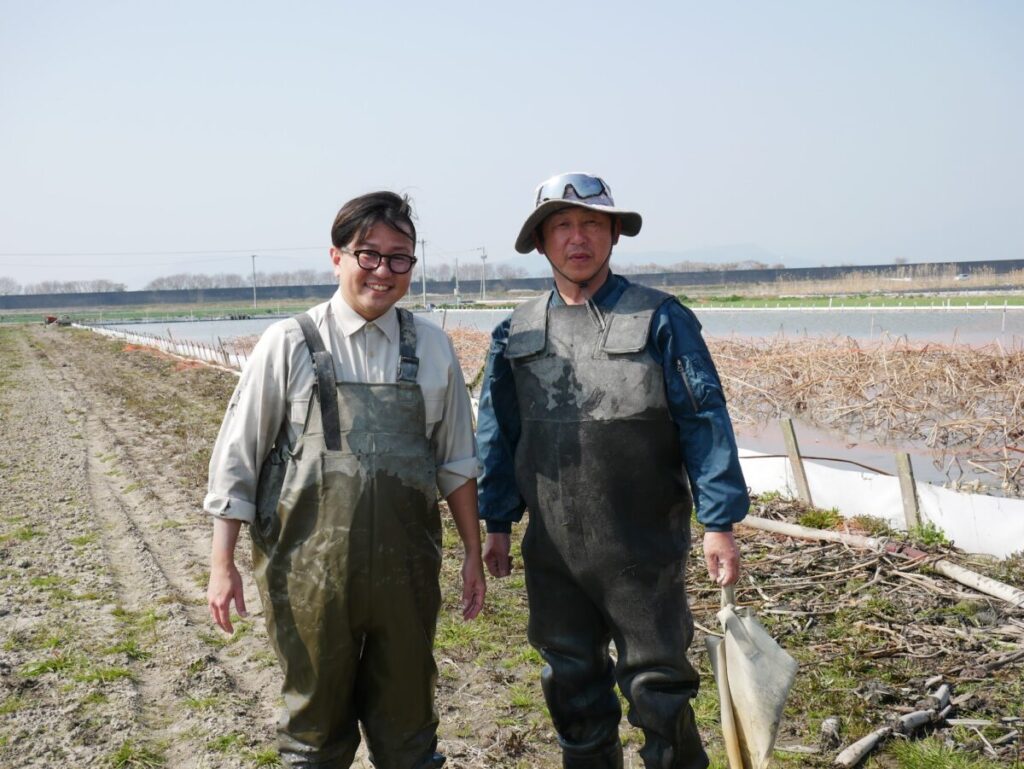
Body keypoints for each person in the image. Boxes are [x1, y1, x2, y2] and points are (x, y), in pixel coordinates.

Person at [476, 172, 749, 769]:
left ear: (614, 234)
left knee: (659, 686)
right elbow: (496, 434)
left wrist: (719, 522)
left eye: (592, 224)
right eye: (563, 227)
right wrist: (496, 521)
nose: (578, 239)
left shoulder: (661, 317)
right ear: (542, 242)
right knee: (570, 681)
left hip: (643, 547)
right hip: (552, 549)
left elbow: (704, 421)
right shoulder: (514, 331)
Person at [205, 191, 485, 769]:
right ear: (337, 257)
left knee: (409, 732)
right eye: (368, 254)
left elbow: (456, 461)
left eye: (399, 258)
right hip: (308, 577)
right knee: (313, 734)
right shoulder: (289, 343)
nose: (383, 271)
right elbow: (238, 459)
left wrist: (472, 555)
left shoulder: (431, 347)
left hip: (405, 579)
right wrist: (221, 563)